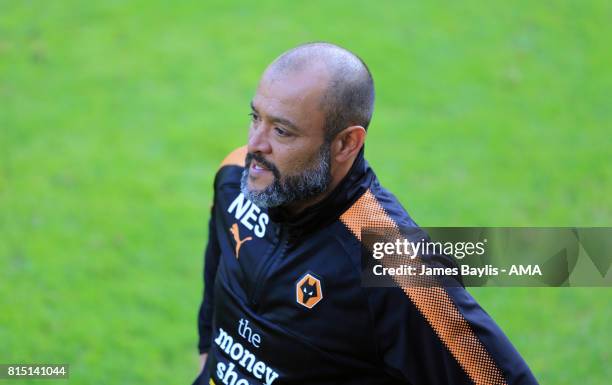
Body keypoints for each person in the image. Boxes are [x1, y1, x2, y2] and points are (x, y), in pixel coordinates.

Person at [194, 42, 538, 385]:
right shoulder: (235, 177)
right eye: (256, 117)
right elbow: (215, 291)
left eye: (282, 131)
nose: (256, 143)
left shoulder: (397, 263)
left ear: (346, 144)